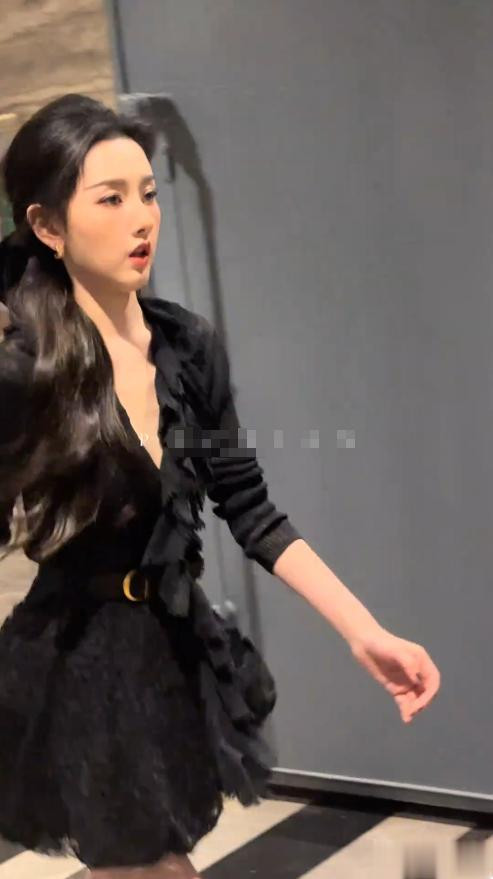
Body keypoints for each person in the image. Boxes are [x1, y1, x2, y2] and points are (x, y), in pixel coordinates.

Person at [0, 93, 440, 879]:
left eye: (148, 193)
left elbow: (250, 508)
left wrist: (363, 630)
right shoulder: (24, 371)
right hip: (80, 663)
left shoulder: (187, 346)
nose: (142, 219)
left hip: (173, 646)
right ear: (47, 226)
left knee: (151, 863)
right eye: (110, 199)